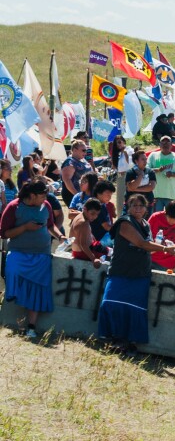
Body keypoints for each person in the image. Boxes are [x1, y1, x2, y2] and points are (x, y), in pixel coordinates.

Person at [98, 194, 173, 355]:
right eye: (134, 205)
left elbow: (147, 244)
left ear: (147, 208)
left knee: (135, 309)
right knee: (111, 303)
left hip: (140, 273)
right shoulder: (125, 223)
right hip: (121, 270)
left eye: (141, 206)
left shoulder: (145, 224)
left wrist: (161, 245)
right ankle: (113, 338)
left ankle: (129, 342)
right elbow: (141, 243)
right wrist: (165, 249)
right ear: (128, 207)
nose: (138, 209)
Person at [0, 180, 66, 338]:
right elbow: (4, 233)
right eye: (42, 195)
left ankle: (31, 327)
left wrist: (60, 236)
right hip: (18, 252)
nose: (45, 198)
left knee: (37, 290)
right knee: (12, 269)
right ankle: (13, 297)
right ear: (32, 195)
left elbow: (50, 226)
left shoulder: (46, 206)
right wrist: (25, 227)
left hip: (41, 254)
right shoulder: (14, 207)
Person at [147, 200, 175, 271]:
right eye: (169, 217)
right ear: (165, 213)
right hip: (149, 257)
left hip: (166, 262)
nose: (171, 221)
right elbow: (144, 236)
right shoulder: (155, 217)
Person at [147, 136, 175, 212]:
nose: (165, 144)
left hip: (171, 195)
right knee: (156, 219)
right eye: (163, 142)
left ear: (171, 145)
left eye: (168, 142)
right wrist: (157, 170)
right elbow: (146, 170)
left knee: (172, 218)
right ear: (159, 145)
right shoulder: (153, 155)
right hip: (156, 195)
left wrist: (172, 174)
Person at [69, 198, 107, 267]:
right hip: (81, 253)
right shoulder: (83, 223)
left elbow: (88, 233)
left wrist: (95, 241)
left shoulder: (81, 215)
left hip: (83, 250)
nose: (95, 217)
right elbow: (83, 244)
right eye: (92, 213)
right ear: (85, 209)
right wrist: (94, 259)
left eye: (97, 214)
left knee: (109, 250)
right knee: (111, 254)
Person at [60, 139, 91, 206]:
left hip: (85, 194)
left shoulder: (82, 160)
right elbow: (67, 180)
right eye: (83, 150)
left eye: (86, 150)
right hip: (73, 195)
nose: (85, 153)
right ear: (74, 150)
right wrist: (78, 195)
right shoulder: (70, 162)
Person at [109, 136, 135, 209]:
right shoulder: (118, 153)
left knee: (129, 198)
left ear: (124, 141)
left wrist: (125, 153)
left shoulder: (130, 150)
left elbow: (131, 164)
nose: (118, 145)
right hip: (120, 177)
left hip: (128, 176)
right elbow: (116, 168)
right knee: (120, 198)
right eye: (116, 144)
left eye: (120, 142)